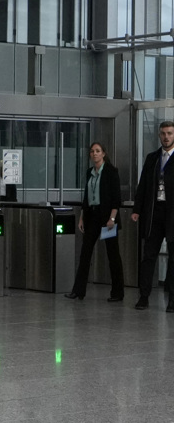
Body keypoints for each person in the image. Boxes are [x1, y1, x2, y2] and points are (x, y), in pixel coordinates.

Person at [66, 143, 123, 302]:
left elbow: (116, 198)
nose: (94, 154)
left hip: (107, 217)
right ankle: (78, 290)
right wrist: (82, 216)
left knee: (112, 254)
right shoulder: (89, 172)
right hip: (92, 215)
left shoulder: (111, 171)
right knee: (85, 253)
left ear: (104, 153)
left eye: (98, 151)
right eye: (92, 151)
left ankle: (117, 292)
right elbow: (87, 196)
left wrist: (112, 218)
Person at [131, 120, 174, 311]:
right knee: (149, 256)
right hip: (154, 213)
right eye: (163, 133)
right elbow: (143, 186)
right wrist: (137, 210)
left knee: (173, 258)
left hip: (172, 214)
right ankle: (144, 296)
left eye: (170, 133)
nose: (166, 137)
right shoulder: (152, 158)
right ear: (159, 135)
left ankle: (172, 300)